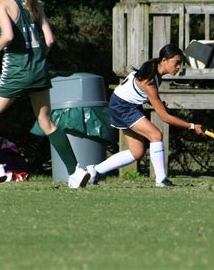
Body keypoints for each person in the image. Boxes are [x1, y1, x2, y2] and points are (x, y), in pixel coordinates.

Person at [0, 0, 90, 188]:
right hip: (39, 70)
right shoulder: (36, 4)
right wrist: (36, 61)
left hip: (16, 71)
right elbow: (49, 41)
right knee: (46, 122)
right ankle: (76, 172)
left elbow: (8, 36)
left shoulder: (1, 4)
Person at [86, 44, 205, 187]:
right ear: (164, 60)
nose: (179, 67)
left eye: (180, 64)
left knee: (136, 152)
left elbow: (143, 95)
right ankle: (161, 180)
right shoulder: (150, 81)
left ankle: (94, 170)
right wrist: (192, 126)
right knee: (156, 135)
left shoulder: (154, 71)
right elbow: (165, 118)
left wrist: (158, 103)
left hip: (122, 104)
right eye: (176, 63)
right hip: (122, 106)